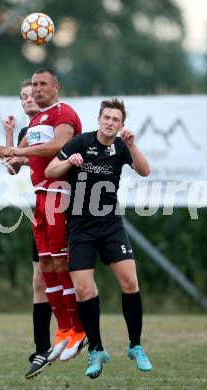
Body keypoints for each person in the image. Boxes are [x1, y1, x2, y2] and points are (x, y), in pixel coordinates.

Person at [0, 68, 87, 364]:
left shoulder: (64, 112)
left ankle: (78, 329)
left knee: (61, 261)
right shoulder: (34, 122)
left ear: (56, 87)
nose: (36, 89)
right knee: (46, 263)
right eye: (32, 85)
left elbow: (62, 145)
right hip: (40, 199)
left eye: (42, 84)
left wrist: (20, 148)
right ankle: (63, 330)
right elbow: (14, 159)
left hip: (60, 194)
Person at [45, 98, 153, 379]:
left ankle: (135, 345)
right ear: (99, 119)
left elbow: (145, 170)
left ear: (121, 125)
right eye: (106, 118)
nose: (110, 123)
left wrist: (131, 145)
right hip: (80, 226)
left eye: (116, 120)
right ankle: (96, 349)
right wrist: (68, 161)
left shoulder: (121, 147)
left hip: (110, 225)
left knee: (130, 281)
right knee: (83, 289)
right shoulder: (80, 142)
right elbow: (49, 172)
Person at [0, 80, 53, 379]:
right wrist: (7, 134)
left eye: (32, 94)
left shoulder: (56, 126)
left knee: (74, 278)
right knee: (39, 281)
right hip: (43, 213)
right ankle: (42, 348)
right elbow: (12, 166)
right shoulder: (24, 133)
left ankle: (83, 336)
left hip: (67, 209)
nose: (28, 99)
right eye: (23, 96)